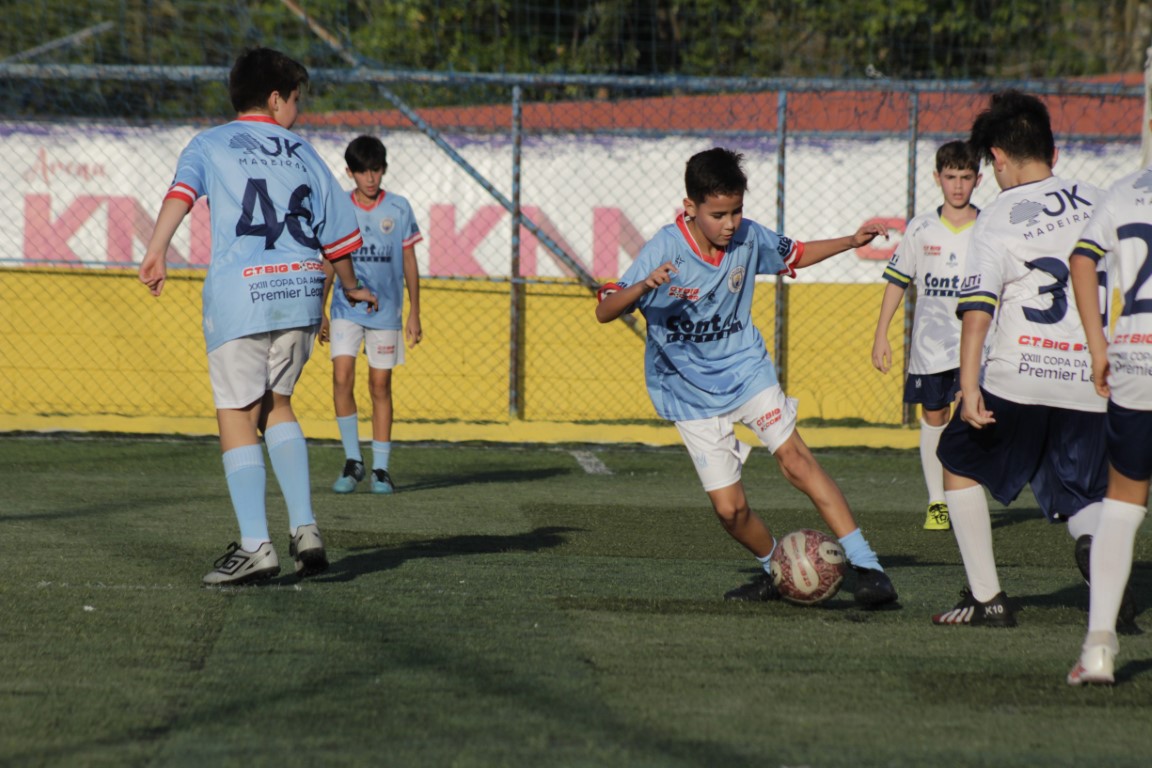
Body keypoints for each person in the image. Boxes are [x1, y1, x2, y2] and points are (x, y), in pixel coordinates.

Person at [595, 147, 898, 607]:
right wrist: (642, 286)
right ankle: (778, 569)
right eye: (718, 215)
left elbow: (796, 253)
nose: (730, 224)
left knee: (797, 460)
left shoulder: (749, 237)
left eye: (736, 211)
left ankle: (869, 568)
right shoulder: (665, 248)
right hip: (688, 392)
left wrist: (851, 242)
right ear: (690, 208)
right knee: (730, 511)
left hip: (746, 369)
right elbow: (605, 310)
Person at [138, 48, 378, 586]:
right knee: (278, 404)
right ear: (275, 99)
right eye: (296, 99)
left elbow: (182, 193)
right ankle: (305, 528)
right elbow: (338, 236)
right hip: (300, 292)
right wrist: (350, 287)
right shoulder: (306, 152)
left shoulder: (210, 143)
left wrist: (156, 249)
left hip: (242, 294)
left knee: (237, 411)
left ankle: (255, 546)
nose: (298, 110)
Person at [931, 90, 1130, 628]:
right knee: (1084, 493)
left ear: (996, 157)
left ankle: (988, 599)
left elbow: (978, 310)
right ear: (1053, 152)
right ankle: (1099, 552)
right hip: (1092, 378)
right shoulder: (1102, 200)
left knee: (957, 461)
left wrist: (969, 385)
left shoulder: (997, 217)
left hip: (1019, 376)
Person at [1064, 159, 1152, 684]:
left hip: (1137, 357)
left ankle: (1098, 648)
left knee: (1121, 504)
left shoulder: (1124, 189)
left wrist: (1099, 346)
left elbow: (1081, 259)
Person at [872, 140, 982, 531]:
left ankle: (966, 496)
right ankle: (937, 502)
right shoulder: (920, 227)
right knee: (934, 415)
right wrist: (881, 334)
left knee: (972, 417)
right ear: (937, 178)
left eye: (965, 177)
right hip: (930, 345)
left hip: (977, 345)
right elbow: (897, 281)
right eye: (950, 177)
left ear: (978, 179)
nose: (958, 185)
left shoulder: (988, 227)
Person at [319, 136, 423, 495]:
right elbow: (330, 260)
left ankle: (380, 469)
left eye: (375, 170)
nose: (370, 177)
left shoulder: (398, 208)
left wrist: (415, 312)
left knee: (380, 385)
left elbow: (409, 260)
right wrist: (320, 309)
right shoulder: (339, 208)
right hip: (345, 308)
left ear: (384, 170)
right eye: (362, 171)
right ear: (350, 173)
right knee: (341, 377)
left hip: (387, 311)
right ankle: (353, 461)